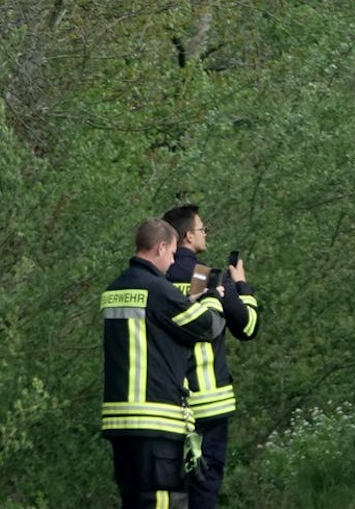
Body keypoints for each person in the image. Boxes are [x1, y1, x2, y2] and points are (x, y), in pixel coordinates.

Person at [104, 218, 226, 509]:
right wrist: (210, 299)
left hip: (119, 421)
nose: (172, 263)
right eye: (172, 254)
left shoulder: (114, 290)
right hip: (157, 421)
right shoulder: (158, 291)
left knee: (133, 501)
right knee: (164, 501)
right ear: (160, 247)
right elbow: (207, 327)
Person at [163, 204, 263, 509]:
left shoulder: (155, 279)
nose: (206, 234)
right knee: (204, 489)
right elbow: (248, 326)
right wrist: (242, 284)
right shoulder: (206, 277)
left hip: (166, 406)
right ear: (188, 236)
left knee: (171, 492)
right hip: (209, 404)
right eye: (203, 229)